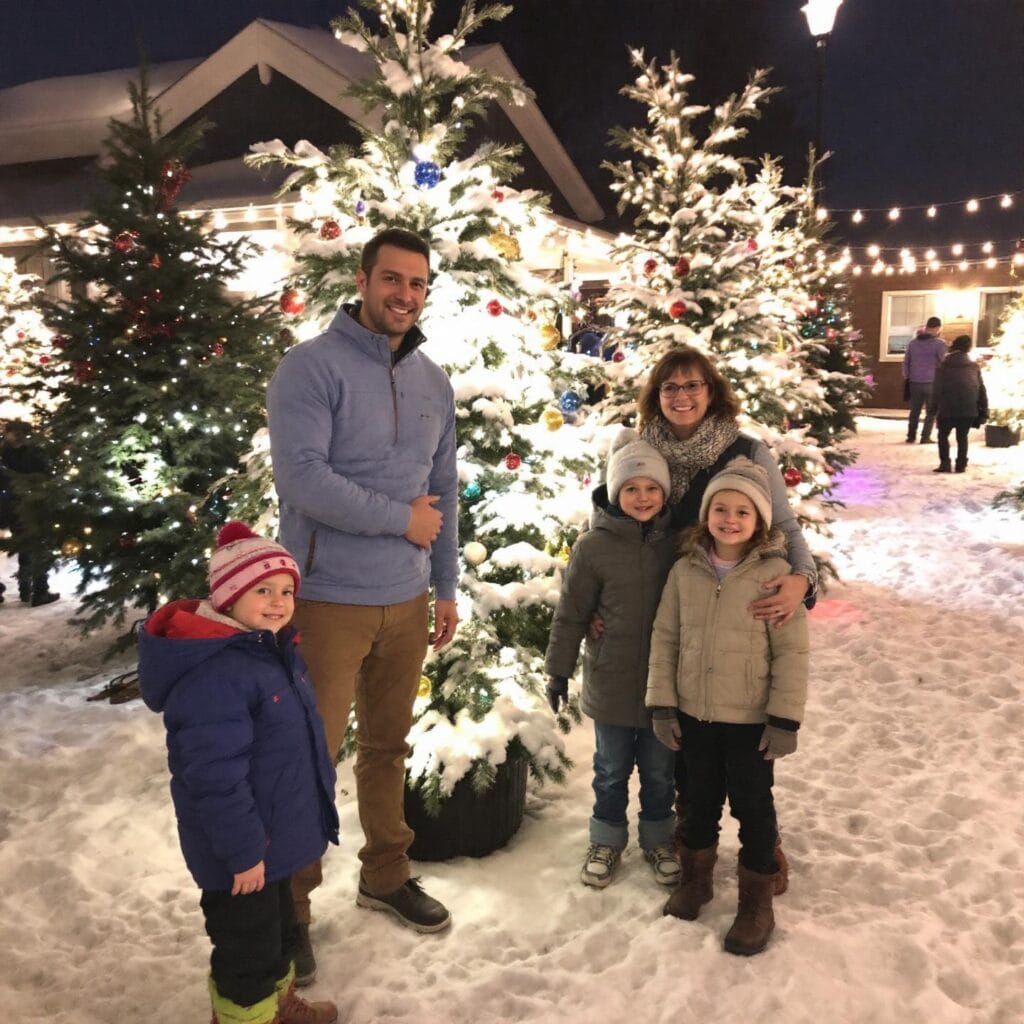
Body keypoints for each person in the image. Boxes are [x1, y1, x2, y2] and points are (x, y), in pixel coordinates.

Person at [266, 226, 459, 980]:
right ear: (362, 279)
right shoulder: (309, 370)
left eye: (416, 284)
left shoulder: (435, 382)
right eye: (392, 280)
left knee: (387, 749)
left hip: (407, 600)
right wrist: (399, 517)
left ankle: (385, 876)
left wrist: (444, 581)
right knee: (308, 759)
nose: (404, 295)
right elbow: (304, 480)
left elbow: (441, 493)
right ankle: (292, 909)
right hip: (325, 601)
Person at [138, 521, 340, 1024]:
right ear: (228, 597)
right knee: (246, 952)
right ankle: (246, 1017)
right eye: (262, 590)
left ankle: (279, 1005)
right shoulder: (215, 674)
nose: (278, 601)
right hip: (240, 855)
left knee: (280, 935)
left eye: (286, 590)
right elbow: (213, 778)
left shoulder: (269, 650)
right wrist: (243, 853)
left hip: (271, 843)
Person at [634, 344, 817, 893]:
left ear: (711, 392)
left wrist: (801, 581)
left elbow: (785, 524)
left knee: (744, 751)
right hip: (671, 603)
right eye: (670, 387)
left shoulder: (747, 452)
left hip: (736, 607)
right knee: (687, 744)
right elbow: (615, 526)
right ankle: (695, 838)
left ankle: (763, 846)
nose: (682, 396)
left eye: (692, 385)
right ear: (656, 397)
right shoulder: (642, 450)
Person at [646, 457, 809, 956]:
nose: (730, 518)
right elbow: (665, 637)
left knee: (754, 809)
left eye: (743, 511)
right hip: (694, 717)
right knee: (697, 803)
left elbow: (792, 652)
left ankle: (756, 903)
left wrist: (784, 720)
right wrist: (663, 705)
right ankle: (696, 881)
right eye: (721, 508)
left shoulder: (776, 576)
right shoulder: (684, 571)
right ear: (706, 514)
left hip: (750, 724)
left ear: (760, 521)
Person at [545, 429, 680, 890]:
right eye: (631, 488)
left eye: (651, 489)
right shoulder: (593, 546)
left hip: (665, 687)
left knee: (662, 772)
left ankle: (660, 838)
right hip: (612, 684)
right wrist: (558, 670)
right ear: (614, 491)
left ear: (664, 493)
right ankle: (605, 840)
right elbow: (571, 613)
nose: (642, 497)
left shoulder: (679, 544)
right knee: (610, 771)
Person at [0, 420, 59, 606]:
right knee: (36, 548)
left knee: (27, 548)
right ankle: (37, 592)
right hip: (26, 506)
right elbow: (44, 476)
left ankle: (28, 591)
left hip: (13, 506)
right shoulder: (33, 453)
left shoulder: (6, 452)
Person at [932, 334, 988, 474]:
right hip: (968, 408)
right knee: (962, 437)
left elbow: (937, 388)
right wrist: (984, 409)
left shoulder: (944, 366)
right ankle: (961, 464)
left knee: (943, 435)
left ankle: (945, 463)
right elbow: (981, 389)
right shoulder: (973, 367)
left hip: (947, 408)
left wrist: (933, 408)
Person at [902, 316, 948, 444]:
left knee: (914, 411)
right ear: (937, 328)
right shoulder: (939, 344)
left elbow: (906, 362)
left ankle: (911, 435)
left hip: (914, 381)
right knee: (931, 412)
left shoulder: (913, 343)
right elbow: (943, 362)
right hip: (932, 381)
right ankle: (925, 436)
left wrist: (907, 376)